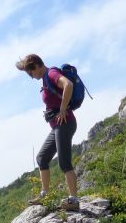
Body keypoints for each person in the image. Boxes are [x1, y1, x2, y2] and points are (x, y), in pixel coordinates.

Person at [16, 54, 79, 210]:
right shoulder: (45, 78)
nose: (31, 77)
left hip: (65, 123)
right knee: (42, 158)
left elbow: (68, 85)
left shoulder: (51, 73)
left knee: (64, 162)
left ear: (36, 66)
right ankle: (45, 195)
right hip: (57, 126)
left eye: (30, 73)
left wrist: (63, 110)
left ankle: (74, 200)